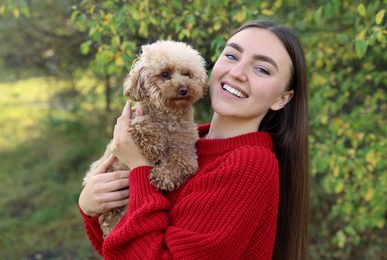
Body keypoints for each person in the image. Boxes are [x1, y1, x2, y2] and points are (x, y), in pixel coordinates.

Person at [79, 19, 309, 260]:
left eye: (262, 69)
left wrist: (139, 168)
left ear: (282, 98)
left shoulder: (250, 164)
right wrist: (91, 208)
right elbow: (120, 250)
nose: (237, 72)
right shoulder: (189, 140)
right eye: (231, 56)